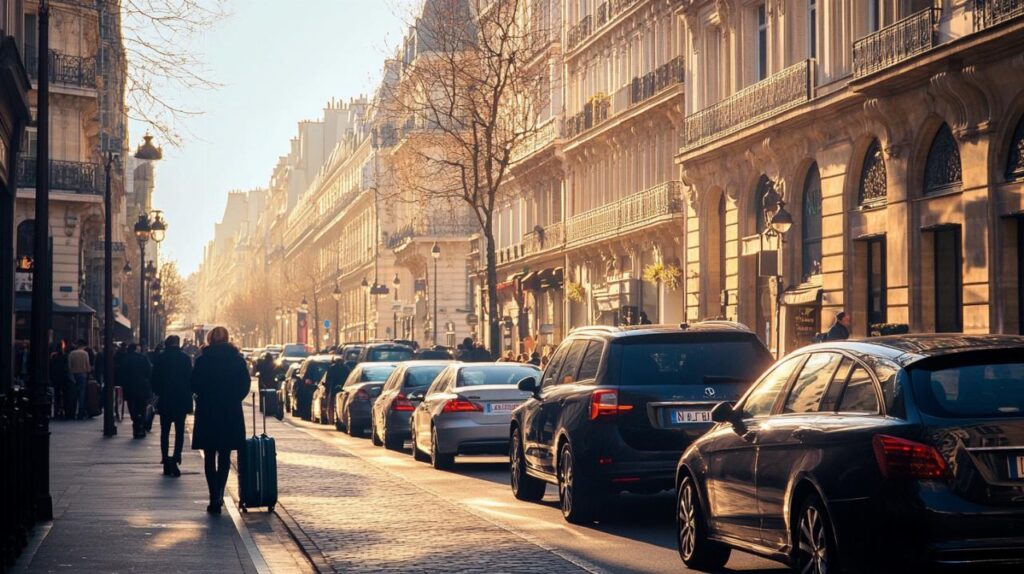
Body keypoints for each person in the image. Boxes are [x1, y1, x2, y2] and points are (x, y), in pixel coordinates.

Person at [191, 326, 250, 514]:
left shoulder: (202, 360)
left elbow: (194, 383)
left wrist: (204, 396)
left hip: (208, 411)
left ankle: (212, 494)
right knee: (224, 455)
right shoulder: (237, 360)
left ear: (210, 339)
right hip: (229, 411)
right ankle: (219, 493)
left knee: (209, 454)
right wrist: (234, 398)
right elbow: (244, 385)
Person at [151, 335, 193, 477]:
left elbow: (154, 379)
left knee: (165, 431)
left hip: (165, 400)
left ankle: (165, 458)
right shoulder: (185, 358)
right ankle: (176, 457)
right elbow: (190, 380)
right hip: (181, 400)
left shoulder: (161, 358)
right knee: (180, 431)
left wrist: (159, 392)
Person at [118, 343, 153, 438]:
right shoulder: (143, 358)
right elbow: (149, 371)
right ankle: (140, 425)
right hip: (142, 386)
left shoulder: (125, 359)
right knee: (142, 407)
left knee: (131, 406)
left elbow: (121, 373)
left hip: (129, 387)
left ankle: (135, 423)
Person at [67, 340, 92, 419]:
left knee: (73, 394)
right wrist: (88, 371)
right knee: (82, 394)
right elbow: (87, 365)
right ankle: (81, 413)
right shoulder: (85, 353)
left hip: (73, 374)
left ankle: (72, 412)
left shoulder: (71, 353)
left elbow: (69, 365)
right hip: (82, 374)